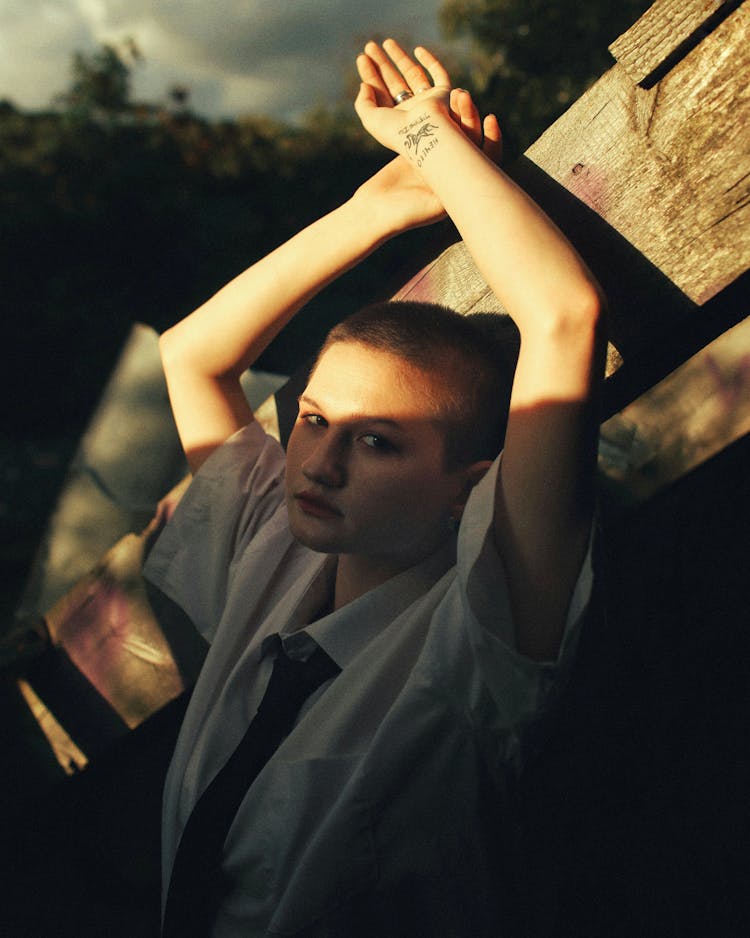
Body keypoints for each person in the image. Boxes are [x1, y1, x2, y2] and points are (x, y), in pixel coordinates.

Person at [144, 38, 605, 937]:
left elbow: (564, 317)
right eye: (312, 419)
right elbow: (191, 357)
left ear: (467, 490)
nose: (317, 464)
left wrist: (436, 139)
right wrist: (375, 209)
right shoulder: (269, 547)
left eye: (378, 443)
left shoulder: (482, 637)